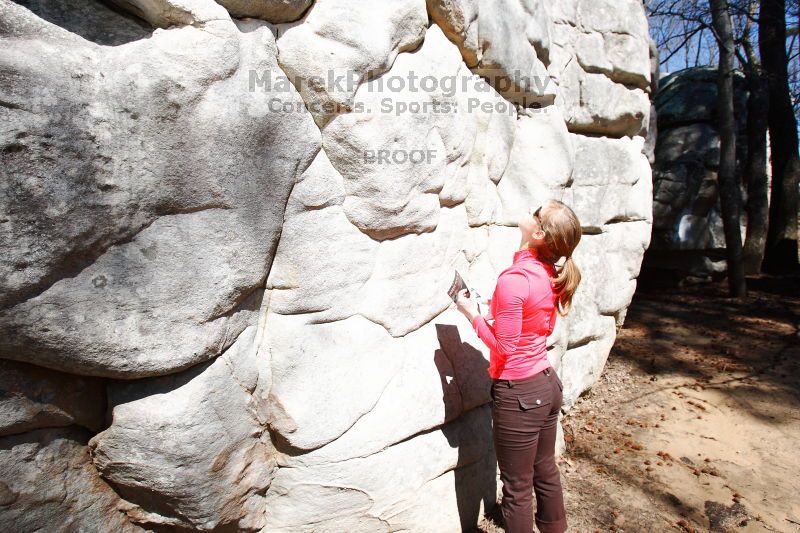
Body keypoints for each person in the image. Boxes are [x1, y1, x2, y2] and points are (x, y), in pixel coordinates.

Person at [455, 199, 582, 533]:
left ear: (538, 232)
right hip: (545, 385)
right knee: (545, 468)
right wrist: (491, 309)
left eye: (537, 211)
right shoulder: (547, 273)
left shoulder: (516, 278)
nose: (530, 210)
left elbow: (505, 348)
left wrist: (470, 313)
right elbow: (535, 325)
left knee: (516, 488)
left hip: (521, 394)